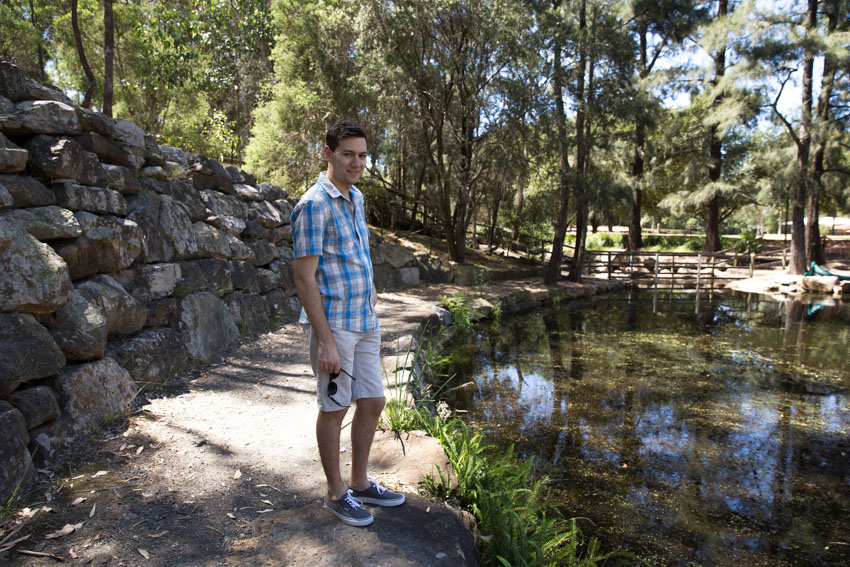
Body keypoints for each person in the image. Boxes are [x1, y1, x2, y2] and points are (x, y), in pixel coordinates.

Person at [291, 119, 405, 527]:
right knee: (335, 408)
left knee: (373, 401)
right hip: (335, 324)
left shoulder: (355, 197)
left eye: (362, 155)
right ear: (328, 154)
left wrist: (371, 288)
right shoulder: (313, 205)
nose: (356, 163)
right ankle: (336, 493)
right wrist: (325, 341)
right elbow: (304, 277)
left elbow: (355, 254)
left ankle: (360, 483)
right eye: (347, 154)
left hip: (365, 320)